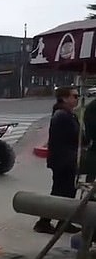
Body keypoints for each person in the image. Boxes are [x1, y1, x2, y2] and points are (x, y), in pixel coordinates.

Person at [33, 87, 82, 234]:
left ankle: (64, 221)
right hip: (63, 159)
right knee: (60, 193)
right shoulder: (62, 116)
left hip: (66, 158)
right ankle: (44, 222)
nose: (77, 98)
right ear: (65, 98)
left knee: (67, 192)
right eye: (74, 96)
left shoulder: (68, 114)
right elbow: (72, 136)